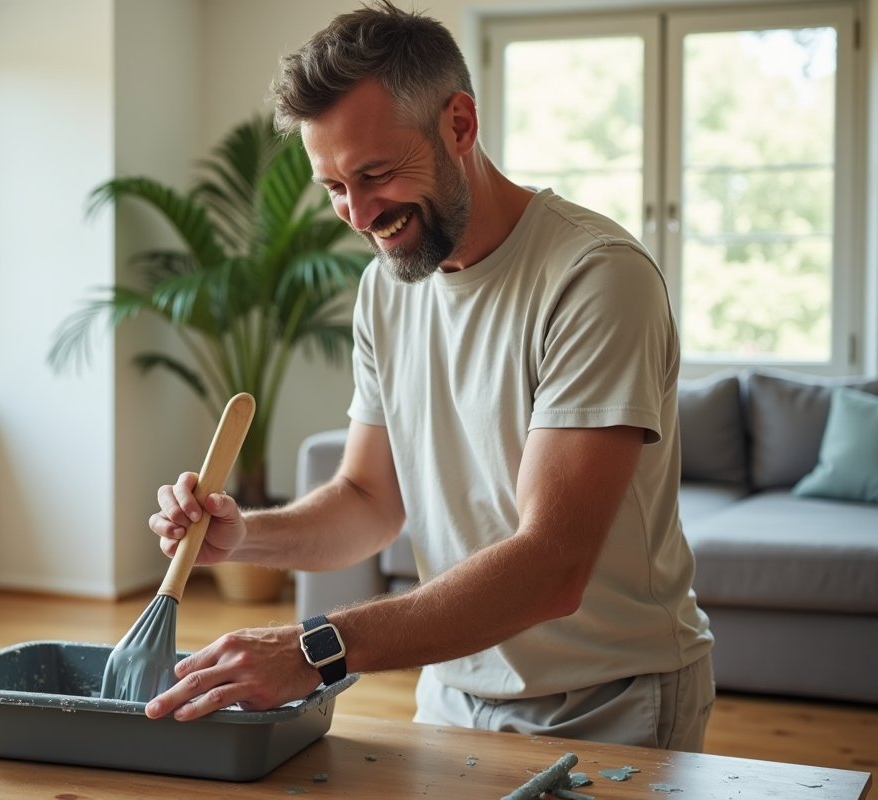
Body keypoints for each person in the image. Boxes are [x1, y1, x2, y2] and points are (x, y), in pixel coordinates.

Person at [144, 0, 715, 751]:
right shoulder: (388, 288)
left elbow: (552, 566)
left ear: (460, 124)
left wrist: (312, 648)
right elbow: (368, 500)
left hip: (608, 703)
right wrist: (245, 534)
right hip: (450, 691)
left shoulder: (595, 278)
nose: (357, 214)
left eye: (375, 173)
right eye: (333, 187)